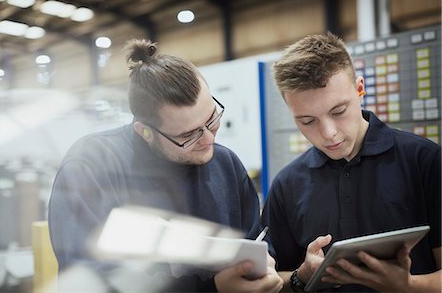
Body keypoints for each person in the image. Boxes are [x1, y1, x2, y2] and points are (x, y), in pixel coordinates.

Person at [49, 39, 283, 293]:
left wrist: (263, 267)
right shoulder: (90, 167)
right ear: (145, 132)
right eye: (187, 136)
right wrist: (211, 289)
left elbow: (257, 241)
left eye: (212, 119)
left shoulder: (226, 164)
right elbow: (89, 281)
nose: (208, 139)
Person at [262, 32, 441, 292]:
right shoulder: (286, 184)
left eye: (338, 111)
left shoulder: (425, 162)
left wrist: (409, 285)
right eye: (307, 121)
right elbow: (274, 283)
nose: (328, 133)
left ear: (359, 89)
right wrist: (303, 274)